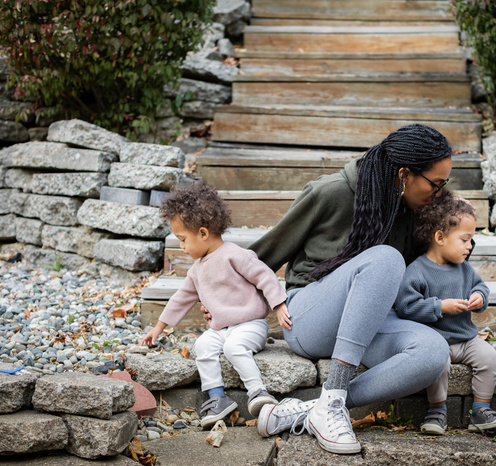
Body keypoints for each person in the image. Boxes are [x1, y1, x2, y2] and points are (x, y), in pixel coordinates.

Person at [245, 124, 453, 454]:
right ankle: (330, 406)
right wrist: (221, 306)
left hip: (367, 325)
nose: (439, 193)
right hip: (309, 318)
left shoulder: (414, 211)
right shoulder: (329, 193)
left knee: (434, 352)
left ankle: (321, 405)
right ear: (404, 175)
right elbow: (259, 258)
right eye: (436, 184)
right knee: (385, 259)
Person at [141, 183, 285, 428]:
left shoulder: (234, 255)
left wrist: (279, 304)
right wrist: (158, 327)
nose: (182, 247)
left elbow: (265, 276)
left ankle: (258, 392)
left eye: (183, 240)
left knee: (234, 347)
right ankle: (217, 397)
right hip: (220, 329)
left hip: (250, 325)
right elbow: (181, 298)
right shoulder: (196, 271)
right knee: (203, 344)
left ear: (203, 233)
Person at [395, 192, 496, 435]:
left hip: (466, 339)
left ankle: (480, 410)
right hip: (436, 340)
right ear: (440, 237)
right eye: (465, 240)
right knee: (439, 365)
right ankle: (437, 410)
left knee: (488, 357)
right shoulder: (416, 271)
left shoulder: (464, 268)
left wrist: (480, 297)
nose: (470, 247)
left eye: (471, 240)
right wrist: (440, 307)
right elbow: (406, 306)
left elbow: (480, 286)